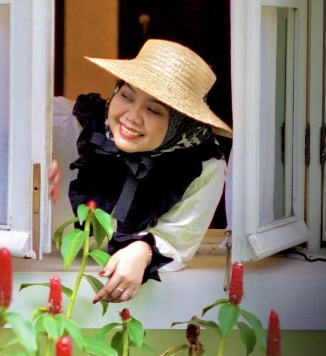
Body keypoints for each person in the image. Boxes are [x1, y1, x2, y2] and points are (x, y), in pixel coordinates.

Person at [49, 39, 231, 304]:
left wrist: (144, 251)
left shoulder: (202, 168)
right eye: (126, 96)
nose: (132, 117)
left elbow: (179, 239)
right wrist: (36, 154)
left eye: (153, 109)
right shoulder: (70, 123)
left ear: (181, 123)